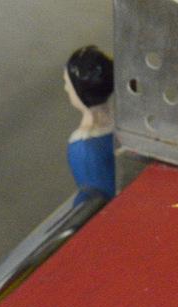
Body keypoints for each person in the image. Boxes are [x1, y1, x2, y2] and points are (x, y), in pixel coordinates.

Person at [64, 46, 116, 200]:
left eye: (67, 83)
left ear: (79, 91)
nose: (66, 88)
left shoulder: (83, 146)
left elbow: (92, 195)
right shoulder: (123, 124)